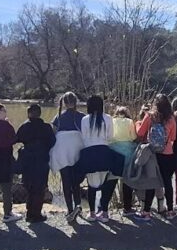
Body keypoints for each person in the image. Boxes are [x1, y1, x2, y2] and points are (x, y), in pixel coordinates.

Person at [136, 94, 177, 219]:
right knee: (167, 183)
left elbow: (140, 132)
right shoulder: (171, 118)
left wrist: (138, 123)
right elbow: (173, 137)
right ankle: (170, 211)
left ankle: (146, 212)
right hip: (168, 154)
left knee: (152, 182)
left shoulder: (150, 116)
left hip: (153, 154)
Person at [16, 103, 57, 223]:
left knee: (29, 186)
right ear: (40, 114)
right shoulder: (46, 127)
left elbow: (17, 138)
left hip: (28, 159)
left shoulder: (24, 127)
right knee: (40, 188)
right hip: (42, 159)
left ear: (29, 114)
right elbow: (52, 142)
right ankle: (36, 213)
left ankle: (29, 212)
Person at [79, 95, 117, 223]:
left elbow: (84, 138)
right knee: (105, 184)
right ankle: (105, 213)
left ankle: (92, 213)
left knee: (91, 185)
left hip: (90, 153)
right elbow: (111, 136)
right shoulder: (108, 118)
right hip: (104, 152)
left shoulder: (84, 119)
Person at [49, 92, 85, 222]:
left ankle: (70, 210)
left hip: (62, 148)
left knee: (66, 180)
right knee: (76, 181)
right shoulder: (82, 117)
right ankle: (78, 205)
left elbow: (52, 133)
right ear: (76, 102)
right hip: (77, 147)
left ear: (63, 103)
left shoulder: (58, 116)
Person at [109, 106, 139, 216]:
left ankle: (104, 208)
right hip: (128, 152)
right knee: (127, 180)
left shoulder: (112, 121)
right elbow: (133, 137)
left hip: (114, 151)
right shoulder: (130, 121)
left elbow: (110, 137)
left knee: (112, 179)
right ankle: (127, 208)